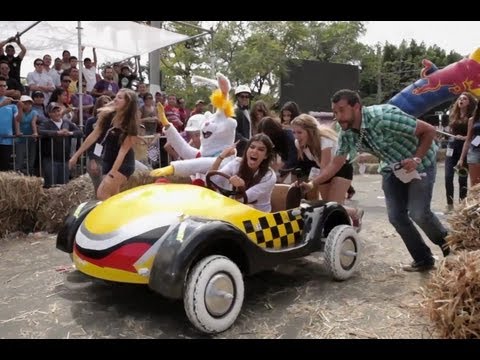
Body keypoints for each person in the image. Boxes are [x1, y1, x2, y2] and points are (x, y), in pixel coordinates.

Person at [300, 89, 449, 272]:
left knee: (418, 213)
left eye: (341, 110)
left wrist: (416, 159)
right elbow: (335, 164)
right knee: (396, 217)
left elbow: (429, 130)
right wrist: (313, 183)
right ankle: (423, 259)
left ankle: (451, 248)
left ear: (356, 107)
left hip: (422, 163)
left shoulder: (384, 116)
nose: (338, 117)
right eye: (335, 112)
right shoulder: (346, 131)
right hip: (392, 168)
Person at [291, 114, 362, 226]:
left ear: (310, 131)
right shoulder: (298, 144)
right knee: (327, 206)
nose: (296, 136)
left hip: (341, 169)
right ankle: (353, 213)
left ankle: (347, 221)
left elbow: (326, 167)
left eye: (299, 132)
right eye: (293, 132)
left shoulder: (324, 140)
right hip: (323, 171)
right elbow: (307, 165)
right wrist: (301, 181)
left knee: (332, 207)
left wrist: (311, 184)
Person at [69, 89, 138, 200]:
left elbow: (123, 152)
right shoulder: (107, 116)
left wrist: (113, 172)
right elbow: (93, 136)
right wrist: (76, 155)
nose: (115, 99)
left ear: (128, 103)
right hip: (107, 160)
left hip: (123, 164)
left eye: (120, 98)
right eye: (116, 96)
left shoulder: (131, 125)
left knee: (102, 193)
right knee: (112, 197)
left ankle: (111, 217)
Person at [210, 133, 276, 212]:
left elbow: (243, 200)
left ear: (266, 156)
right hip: (235, 208)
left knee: (249, 207)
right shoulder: (237, 163)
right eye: (252, 147)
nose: (254, 151)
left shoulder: (269, 176)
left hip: (259, 215)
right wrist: (221, 157)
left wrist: (241, 187)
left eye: (260, 149)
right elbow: (212, 180)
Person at [444, 93, 476, 212]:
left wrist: (464, 138)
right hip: (451, 148)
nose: (461, 100)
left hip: (464, 149)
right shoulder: (453, 114)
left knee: (462, 178)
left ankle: (462, 205)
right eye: (460, 98)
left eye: (465, 98)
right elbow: (451, 130)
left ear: (469, 102)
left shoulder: (472, 117)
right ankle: (449, 204)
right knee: (448, 177)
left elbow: (473, 135)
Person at [458, 101, 480, 188]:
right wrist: (461, 158)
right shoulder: (473, 119)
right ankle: (476, 202)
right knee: (475, 185)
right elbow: (468, 140)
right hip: (474, 152)